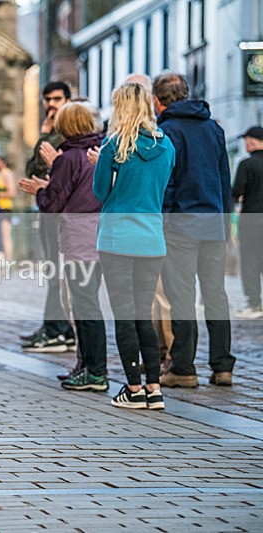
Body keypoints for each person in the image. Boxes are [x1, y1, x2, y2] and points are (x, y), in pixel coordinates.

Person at [93, 83, 176, 410]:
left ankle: (132, 387)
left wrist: (101, 165)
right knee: (144, 313)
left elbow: (101, 192)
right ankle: (154, 388)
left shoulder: (113, 144)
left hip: (116, 237)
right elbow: (159, 187)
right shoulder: (167, 146)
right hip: (152, 239)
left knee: (124, 315)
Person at [153, 72, 236, 388]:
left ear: (158, 101)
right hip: (213, 223)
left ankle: (184, 368)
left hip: (180, 226)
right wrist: (225, 224)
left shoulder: (166, 132)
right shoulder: (213, 129)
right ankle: (223, 365)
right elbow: (223, 180)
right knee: (216, 295)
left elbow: (167, 184)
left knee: (182, 296)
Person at [20, 102, 106, 392]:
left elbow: (53, 204)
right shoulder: (101, 151)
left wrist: (41, 191)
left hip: (77, 238)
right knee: (88, 303)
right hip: (102, 234)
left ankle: (94, 371)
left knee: (84, 307)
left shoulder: (68, 158)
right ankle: (86, 366)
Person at [21, 82, 76, 353]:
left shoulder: (67, 134)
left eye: (57, 99)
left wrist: (46, 137)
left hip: (62, 211)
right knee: (54, 270)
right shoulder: (50, 134)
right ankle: (54, 326)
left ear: (68, 100)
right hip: (47, 207)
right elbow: (32, 168)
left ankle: (59, 329)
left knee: (60, 271)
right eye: (47, 100)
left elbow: (54, 169)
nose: (51, 105)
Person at [232, 126, 263, 319]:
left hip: (251, 219)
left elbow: (236, 191)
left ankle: (254, 303)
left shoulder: (246, 165)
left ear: (252, 141)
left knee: (250, 261)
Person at [0, 156, 16, 260]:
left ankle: (8, 261)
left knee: (5, 236)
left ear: (3, 162)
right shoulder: (0, 175)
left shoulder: (7, 174)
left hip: (5, 209)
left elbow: (12, 193)